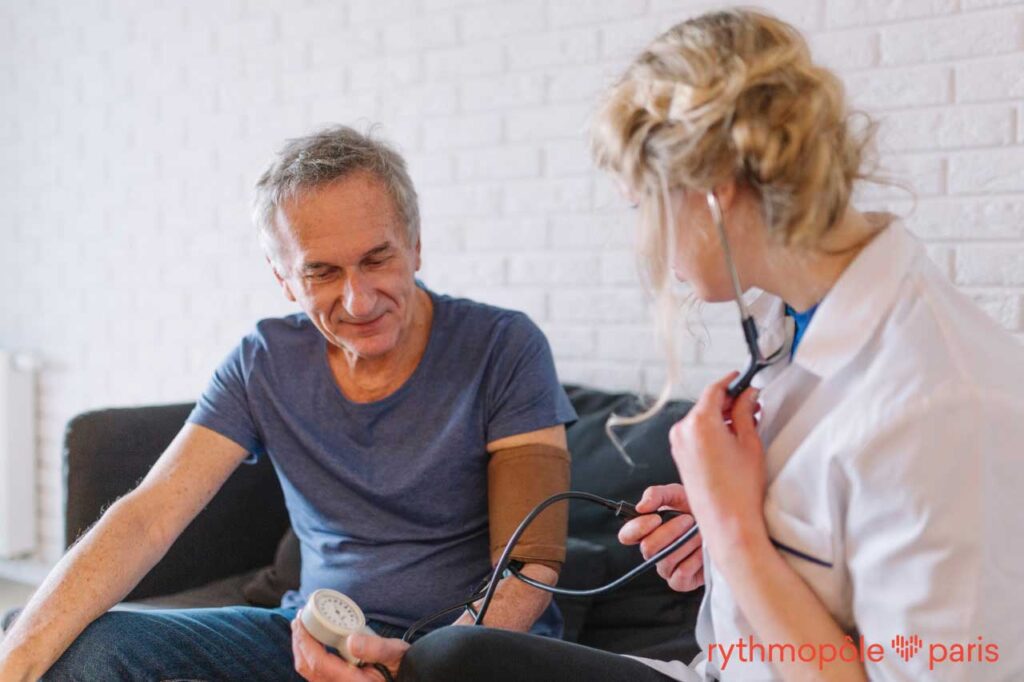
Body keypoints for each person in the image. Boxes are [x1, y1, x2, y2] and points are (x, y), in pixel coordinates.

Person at [389, 8, 1024, 681]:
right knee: (448, 660)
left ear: (714, 195)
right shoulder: (798, 324)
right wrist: (732, 530)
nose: (648, 246)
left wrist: (734, 530)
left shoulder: (940, 405)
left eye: (644, 208)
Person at [0, 126, 577, 681]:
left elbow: (529, 565)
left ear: (416, 245)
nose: (357, 299)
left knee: (456, 664)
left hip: (469, 648)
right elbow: (148, 517)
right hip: (308, 644)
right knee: (60, 642)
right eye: (322, 272)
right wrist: (17, 658)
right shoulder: (263, 362)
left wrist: (416, 671)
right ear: (284, 279)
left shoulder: (505, 346)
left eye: (377, 259)